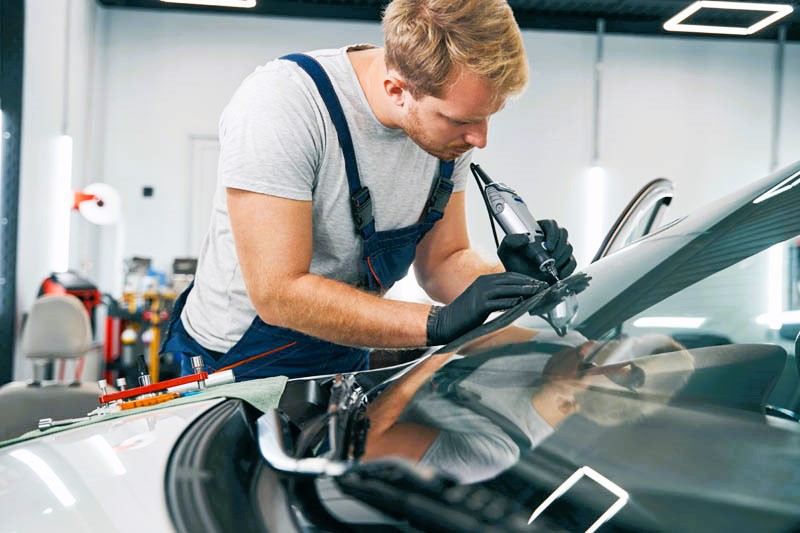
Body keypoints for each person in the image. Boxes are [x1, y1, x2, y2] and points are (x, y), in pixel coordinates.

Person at [161, 0, 576, 380]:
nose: (479, 138)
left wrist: (516, 283)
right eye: (461, 121)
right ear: (397, 90)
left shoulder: (449, 133)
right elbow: (279, 293)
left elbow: (443, 262)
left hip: (344, 354)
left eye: (488, 117)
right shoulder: (284, 106)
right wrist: (436, 323)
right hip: (230, 364)